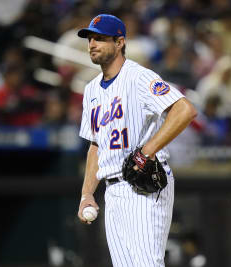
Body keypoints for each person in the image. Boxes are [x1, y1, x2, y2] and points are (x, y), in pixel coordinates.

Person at [76, 14, 197, 267]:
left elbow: (184, 110)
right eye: (90, 38)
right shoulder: (91, 91)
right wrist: (87, 193)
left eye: (100, 38)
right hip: (113, 190)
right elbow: (96, 145)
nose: (92, 44)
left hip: (143, 185)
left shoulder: (139, 77)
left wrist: (147, 151)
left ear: (120, 42)